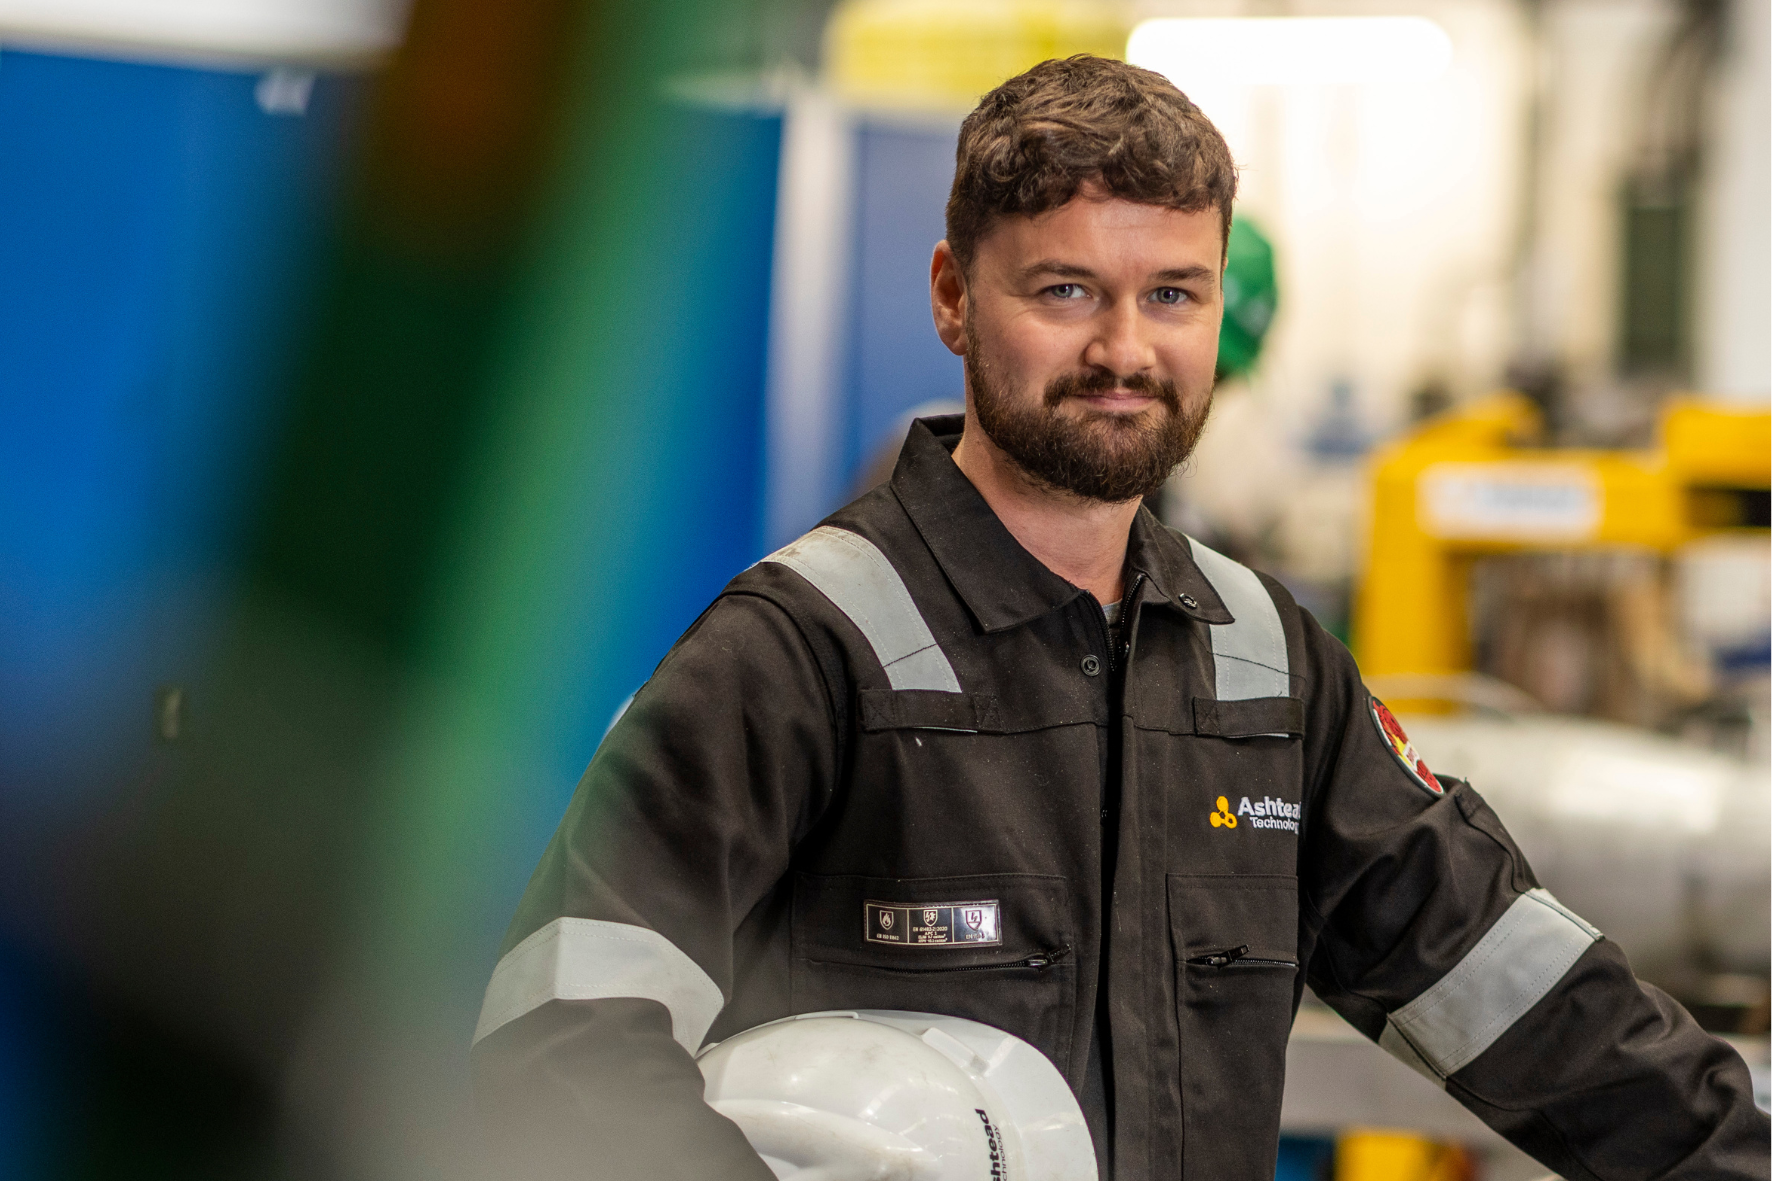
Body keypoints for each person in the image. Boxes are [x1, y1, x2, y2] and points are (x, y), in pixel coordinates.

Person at [470, 55, 1769, 1181]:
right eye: (1066, 291)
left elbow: (1521, 997)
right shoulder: (802, 652)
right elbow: (558, 1038)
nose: (1126, 351)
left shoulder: (1263, 668)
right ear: (952, 295)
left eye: (1173, 294)